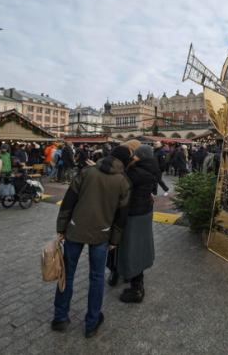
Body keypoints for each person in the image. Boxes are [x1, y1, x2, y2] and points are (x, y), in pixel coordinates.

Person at [53, 145, 131, 338]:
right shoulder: (123, 182)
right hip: (102, 234)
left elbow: (69, 200)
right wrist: (115, 240)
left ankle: (60, 318)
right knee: (96, 278)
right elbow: (122, 216)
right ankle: (91, 323)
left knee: (67, 274)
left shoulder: (87, 172)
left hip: (75, 228)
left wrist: (61, 228)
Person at [111, 143, 159, 303]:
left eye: (135, 155)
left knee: (131, 248)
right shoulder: (151, 168)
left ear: (141, 156)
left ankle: (136, 288)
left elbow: (121, 187)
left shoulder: (134, 172)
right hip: (145, 212)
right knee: (137, 247)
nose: (133, 157)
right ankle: (128, 275)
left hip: (133, 214)